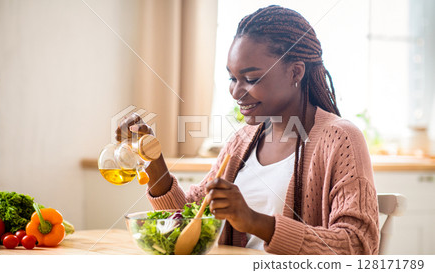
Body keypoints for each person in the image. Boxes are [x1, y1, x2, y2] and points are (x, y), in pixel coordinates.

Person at [118, 5, 379, 255]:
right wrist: (152, 159)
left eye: (251, 79)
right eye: (232, 78)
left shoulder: (340, 138)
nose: (235, 91)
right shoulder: (241, 142)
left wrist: (254, 221)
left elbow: (357, 246)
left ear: (295, 72)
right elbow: (188, 223)